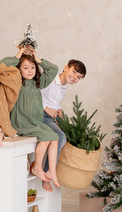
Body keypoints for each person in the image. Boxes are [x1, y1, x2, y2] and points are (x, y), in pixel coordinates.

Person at [0, 47, 61, 189]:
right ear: (19, 69)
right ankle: (37, 167)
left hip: (35, 123)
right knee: (46, 138)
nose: (30, 70)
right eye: (25, 67)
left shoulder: (37, 83)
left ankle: (51, 170)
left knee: (55, 138)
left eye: (33, 67)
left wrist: (39, 60)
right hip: (22, 124)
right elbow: (2, 66)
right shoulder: (16, 83)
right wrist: (18, 55)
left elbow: (53, 69)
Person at [40, 59, 86, 191]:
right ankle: (48, 172)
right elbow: (35, 94)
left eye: (78, 77)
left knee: (75, 134)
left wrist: (58, 109)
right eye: (74, 72)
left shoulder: (64, 87)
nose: (75, 77)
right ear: (66, 67)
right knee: (60, 136)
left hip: (53, 114)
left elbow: (53, 101)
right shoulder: (50, 79)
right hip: (42, 114)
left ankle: (69, 172)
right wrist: (45, 108)